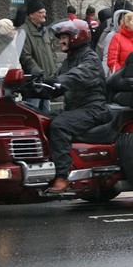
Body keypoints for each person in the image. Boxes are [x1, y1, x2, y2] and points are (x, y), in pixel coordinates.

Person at [44, 19, 110, 193]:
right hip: (76, 108)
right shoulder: (69, 60)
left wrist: (58, 82)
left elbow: (77, 76)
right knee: (39, 118)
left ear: (76, 37)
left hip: (93, 109)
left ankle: (62, 176)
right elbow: (54, 82)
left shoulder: (90, 58)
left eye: (64, 37)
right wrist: (30, 85)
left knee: (59, 125)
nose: (61, 41)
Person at [19, 0, 57, 111]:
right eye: (40, 12)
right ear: (31, 15)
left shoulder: (45, 31)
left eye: (44, 12)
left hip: (45, 82)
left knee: (46, 114)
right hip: (33, 83)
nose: (44, 15)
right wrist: (37, 72)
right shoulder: (23, 31)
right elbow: (25, 56)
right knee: (33, 112)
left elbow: (50, 53)